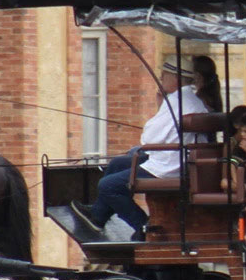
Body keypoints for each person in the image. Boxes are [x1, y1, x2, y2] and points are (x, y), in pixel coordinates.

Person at [70, 56, 207, 240]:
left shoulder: (177, 101)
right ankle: (98, 215)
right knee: (118, 164)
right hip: (179, 159)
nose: (161, 77)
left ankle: (144, 226)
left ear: (175, 78)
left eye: (164, 74)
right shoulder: (193, 100)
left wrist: (160, 107)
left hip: (170, 166)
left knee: (108, 186)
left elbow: (150, 137)